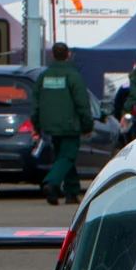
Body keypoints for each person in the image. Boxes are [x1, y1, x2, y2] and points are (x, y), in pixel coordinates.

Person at [35, 42, 92, 205]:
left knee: (64, 157)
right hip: (70, 125)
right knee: (68, 156)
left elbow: (36, 102)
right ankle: (51, 183)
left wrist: (37, 124)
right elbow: (82, 103)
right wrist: (87, 125)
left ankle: (71, 192)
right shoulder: (73, 76)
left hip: (50, 125)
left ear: (52, 55)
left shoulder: (43, 76)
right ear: (68, 55)